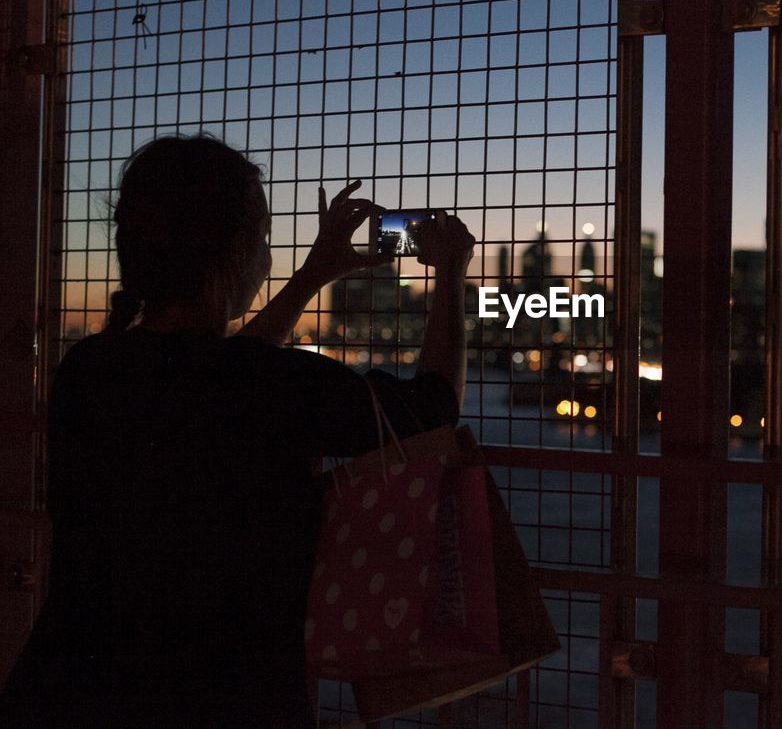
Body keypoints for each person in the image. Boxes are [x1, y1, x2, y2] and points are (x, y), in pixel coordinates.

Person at [0, 134, 476, 728]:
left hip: (65, 689)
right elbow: (432, 406)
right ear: (237, 249)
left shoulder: (87, 371)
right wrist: (453, 272)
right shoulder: (273, 386)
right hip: (229, 700)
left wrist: (311, 276)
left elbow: (212, 377)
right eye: (266, 235)